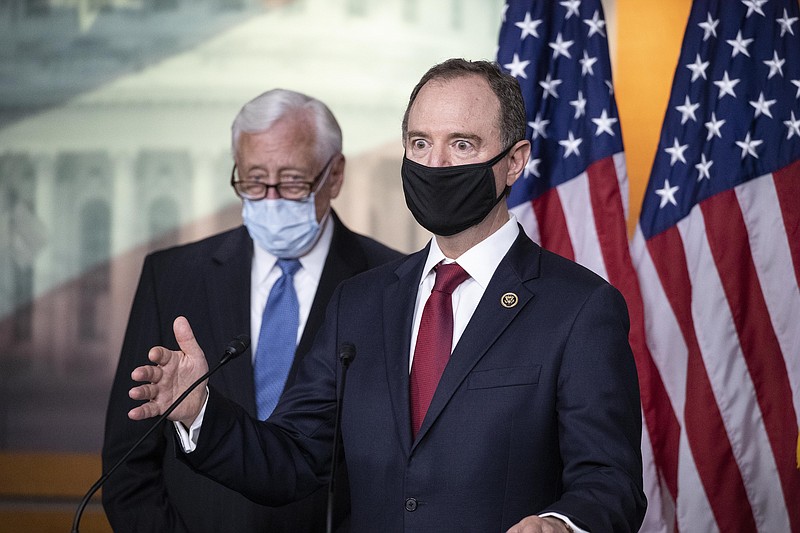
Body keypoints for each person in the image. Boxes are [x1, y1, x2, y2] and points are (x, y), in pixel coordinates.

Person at [127, 59, 647, 533]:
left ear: (514, 162)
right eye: (420, 144)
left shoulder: (579, 308)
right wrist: (201, 411)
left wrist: (562, 525)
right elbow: (293, 459)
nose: (436, 164)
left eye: (462, 144)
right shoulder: (361, 301)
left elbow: (610, 481)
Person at [102, 88, 402, 533]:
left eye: (294, 181)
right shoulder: (171, 277)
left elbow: (400, 463)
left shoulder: (391, 282)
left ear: (334, 175)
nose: (272, 199)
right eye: (254, 181)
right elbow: (128, 464)